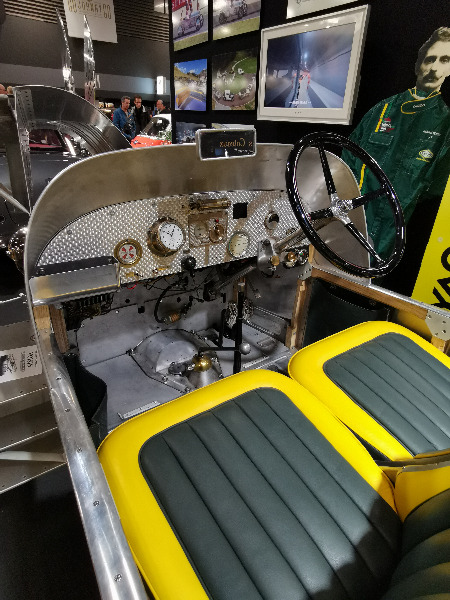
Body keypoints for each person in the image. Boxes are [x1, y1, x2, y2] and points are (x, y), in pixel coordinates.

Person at [342, 27, 450, 283]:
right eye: (430, 59)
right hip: (351, 222)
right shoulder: (384, 109)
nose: (434, 68)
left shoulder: (444, 123)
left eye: (444, 60)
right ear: (418, 64)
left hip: (393, 237)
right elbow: (347, 156)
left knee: (368, 290)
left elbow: (437, 186)